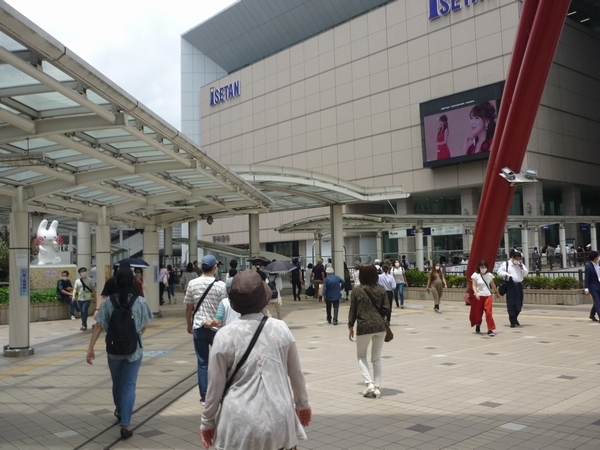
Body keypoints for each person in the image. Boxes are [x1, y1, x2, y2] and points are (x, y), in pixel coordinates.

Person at [200, 270, 312, 449]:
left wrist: (207, 421)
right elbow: (296, 373)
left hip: (238, 422)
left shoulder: (223, 336)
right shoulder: (280, 328)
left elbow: (215, 385)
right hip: (279, 419)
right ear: (264, 298)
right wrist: (302, 404)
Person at [86, 269, 153, 440]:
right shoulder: (140, 302)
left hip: (114, 349)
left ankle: (119, 410)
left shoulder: (108, 302)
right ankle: (125, 424)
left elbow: (99, 325)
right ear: (132, 281)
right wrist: (135, 336)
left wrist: (90, 348)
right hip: (134, 350)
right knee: (129, 385)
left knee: (117, 382)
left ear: (116, 282)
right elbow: (145, 325)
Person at [184, 254, 228, 406]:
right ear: (215, 267)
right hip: (217, 328)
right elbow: (225, 307)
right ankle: (220, 393)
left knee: (203, 362)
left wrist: (189, 324)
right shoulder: (221, 285)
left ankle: (204, 396)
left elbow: (189, 307)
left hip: (198, 327)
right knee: (220, 362)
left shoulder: (192, 283)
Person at [348, 263, 389, 399]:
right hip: (380, 326)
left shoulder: (357, 290)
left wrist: (350, 326)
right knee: (376, 357)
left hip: (364, 326)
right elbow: (387, 308)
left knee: (361, 355)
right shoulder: (381, 289)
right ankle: (377, 387)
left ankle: (368, 383)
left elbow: (352, 309)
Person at [498, 250, 529, 327]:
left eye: (519, 259)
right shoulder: (506, 264)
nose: (518, 260)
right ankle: (512, 321)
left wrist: (521, 267)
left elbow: (526, 273)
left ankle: (515, 318)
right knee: (511, 304)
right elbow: (499, 272)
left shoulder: (520, 264)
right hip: (510, 286)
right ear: (512, 257)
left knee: (519, 304)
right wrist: (507, 274)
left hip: (518, 286)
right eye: (516, 259)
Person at [469, 260, 499, 336]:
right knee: (478, 313)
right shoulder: (475, 275)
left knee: (489, 312)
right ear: (479, 267)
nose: (483, 268)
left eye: (485, 267)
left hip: (487, 295)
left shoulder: (489, 275)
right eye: (482, 267)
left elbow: (493, 285)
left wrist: (496, 292)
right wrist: (476, 294)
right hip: (478, 296)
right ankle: (478, 324)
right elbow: (474, 285)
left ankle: (490, 329)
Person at [72, 267, 96, 331]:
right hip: (80, 299)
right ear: (79, 273)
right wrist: (73, 296)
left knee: (84, 310)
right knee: (82, 312)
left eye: (84, 271)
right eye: (82, 271)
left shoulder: (90, 280)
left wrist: (94, 297)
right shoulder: (77, 281)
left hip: (87, 299)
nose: (83, 272)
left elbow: (93, 289)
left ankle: (84, 325)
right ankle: (83, 324)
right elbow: (75, 289)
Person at [584, 251, 600, 322]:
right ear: (595, 257)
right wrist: (586, 289)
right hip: (593, 287)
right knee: (597, 301)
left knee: (598, 301)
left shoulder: (598, 264)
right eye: (598, 256)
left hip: (599, 285)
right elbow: (587, 278)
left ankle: (592, 314)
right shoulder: (588, 266)